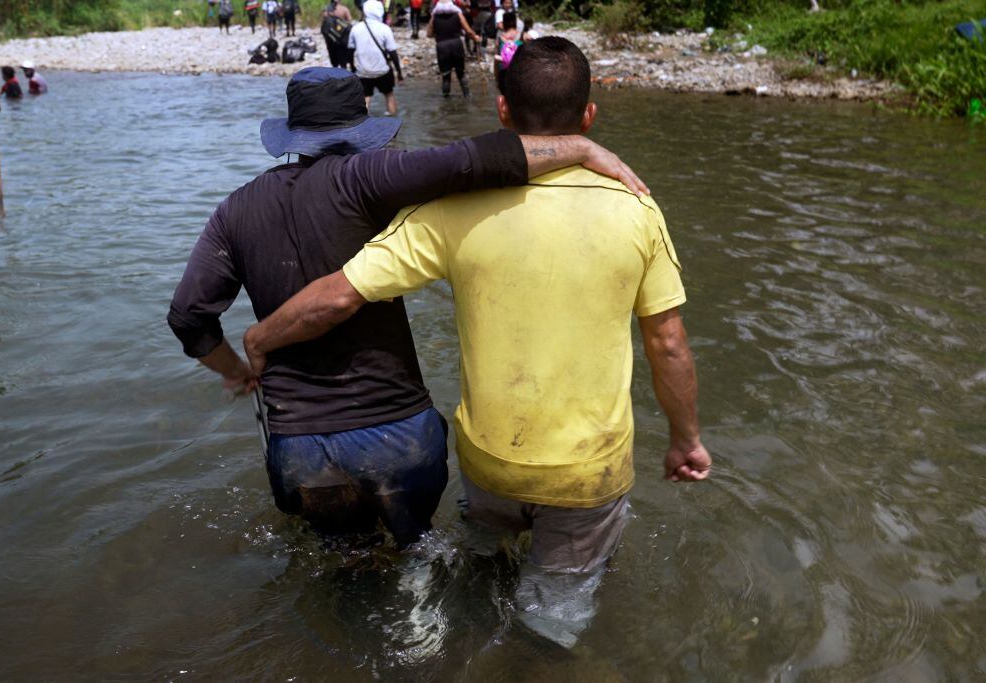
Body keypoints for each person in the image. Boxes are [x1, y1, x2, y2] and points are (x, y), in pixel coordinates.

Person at [242, 38, 710, 647]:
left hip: (488, 461)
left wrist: (258, 337)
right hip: (586, 472)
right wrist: (686, 441)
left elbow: (338, 295)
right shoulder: (637, 209)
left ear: (502, 111)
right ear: (589, 115)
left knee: (477, 570)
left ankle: (441, 642)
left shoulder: (454, 209)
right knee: (554, 611)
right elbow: (667, 344)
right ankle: (533, 655)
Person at [167, 65, 647, 549]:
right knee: (418, 551)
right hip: (397, 438)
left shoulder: (235, 209)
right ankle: (429, 619)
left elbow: (188, 317)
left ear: (293, 131)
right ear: (362, 120)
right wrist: (581, 147)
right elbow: (478, 159)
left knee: (343, 562)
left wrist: (236, 370)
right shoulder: (368, 177)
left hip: (301, 448)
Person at [348, 0, 404, 116]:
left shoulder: (355, 29)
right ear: (380, 11)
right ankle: (393, 124)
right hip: (383, 71)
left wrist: (353, 68)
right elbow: (393, 53)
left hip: (363, 72)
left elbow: (350, 52)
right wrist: (399, 73)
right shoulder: (385, 29)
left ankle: (362, 129)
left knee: (365, 98)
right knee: (389, 95)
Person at [427, 0, 478, 98]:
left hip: (442, 46)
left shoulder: (434, 17)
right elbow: (468, 31)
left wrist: (438, 32)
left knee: (446, 76)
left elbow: (429, 34)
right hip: (456, 45)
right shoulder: (458, 14)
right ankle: (467, 96)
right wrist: (475, 37)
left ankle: (446, 100)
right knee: (461, 73)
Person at [321, 0, 353, 68]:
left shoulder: (326, 10)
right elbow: (349, 22)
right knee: (343, 59)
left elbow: (324, 25)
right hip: (341, 38)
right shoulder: (344, 9)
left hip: (330, 38)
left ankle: (335, 72)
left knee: (333, 58)